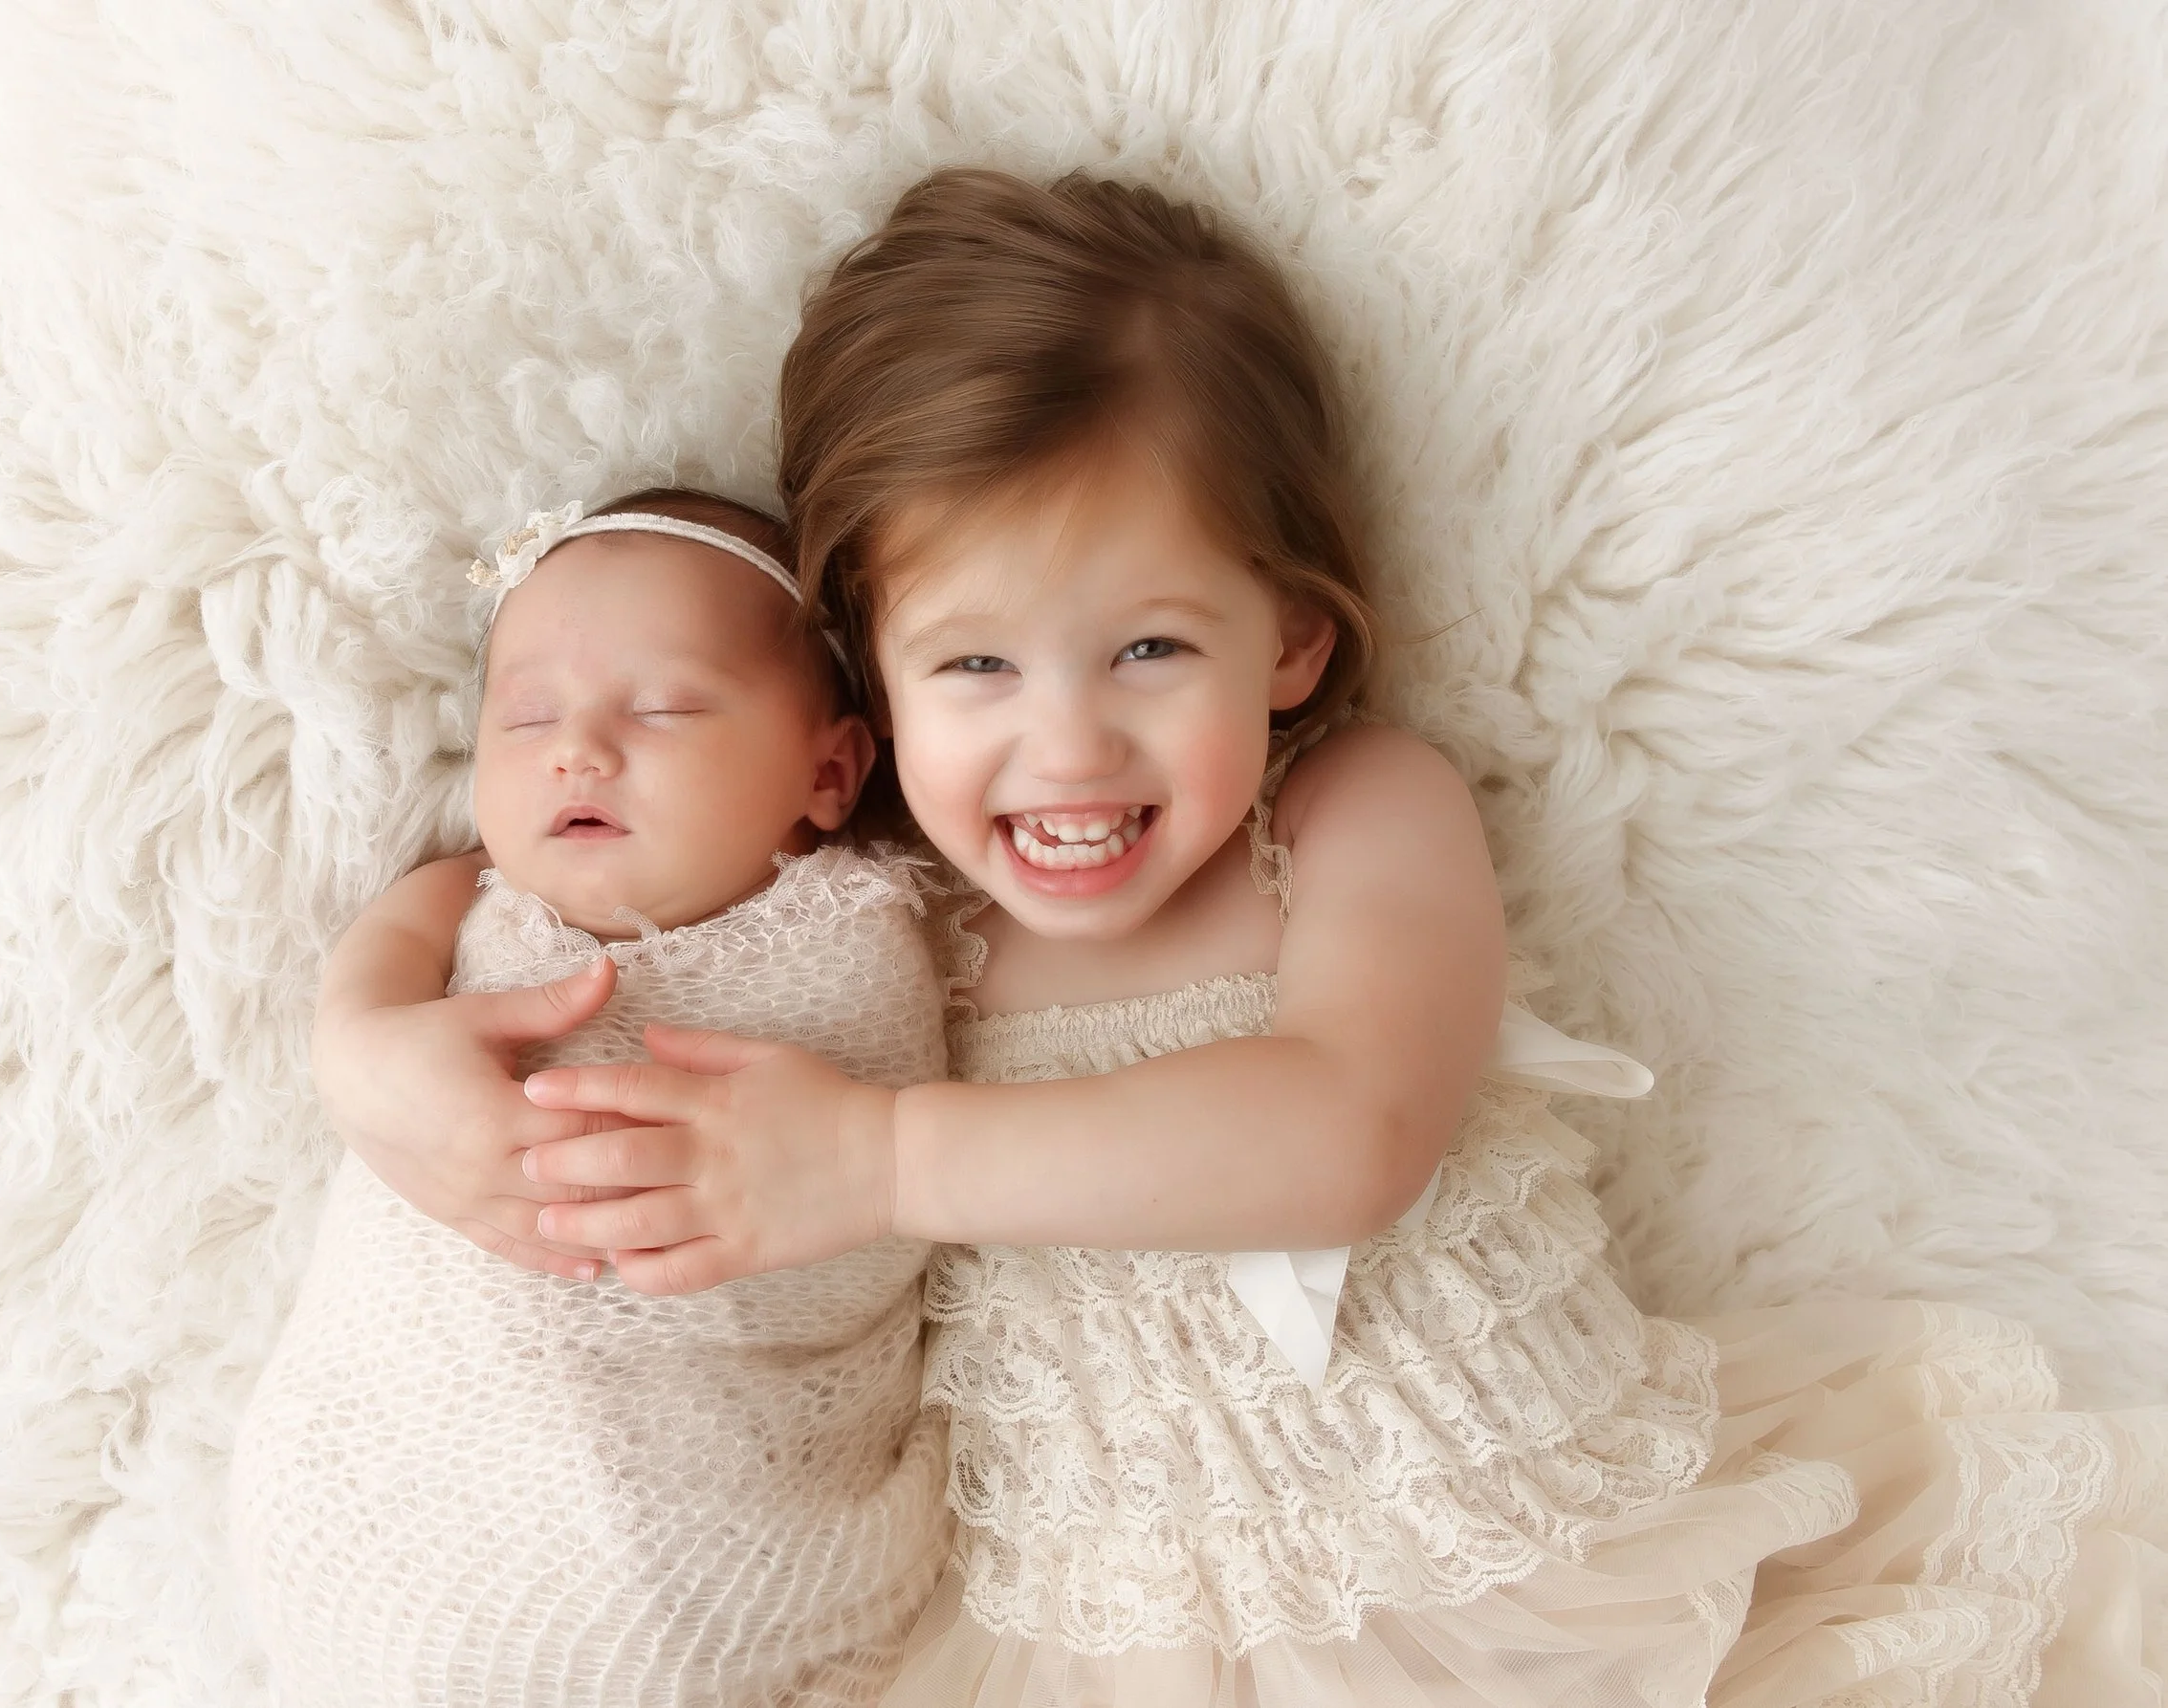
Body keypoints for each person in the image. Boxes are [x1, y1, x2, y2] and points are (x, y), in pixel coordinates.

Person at [315, 172, 2167, 1705]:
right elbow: (521, 874)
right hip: (1088, 1647)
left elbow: (1345, 1125)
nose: (1064, 747)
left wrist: (880, 1155)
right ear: (857, 707)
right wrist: (366, 1024)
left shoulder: (1345, 818)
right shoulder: (887, 908)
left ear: (1284, 636)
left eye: (1148, 650)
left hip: (1512, 1576)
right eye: (973, 664)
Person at [230, 489, 955, 1708]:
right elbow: (367, 990)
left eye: (663, 706)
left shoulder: (861, 937)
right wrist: (362, 1049)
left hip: (715, 1525)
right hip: (390, 1473)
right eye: (524, 717)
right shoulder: (468, 900)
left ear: (829, 770)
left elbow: (875, 1198)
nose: (576, 749)